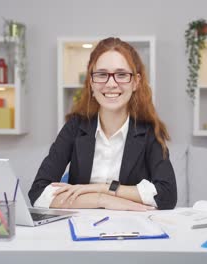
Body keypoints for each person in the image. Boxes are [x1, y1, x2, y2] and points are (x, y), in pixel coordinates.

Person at [28, 37, 177, 211]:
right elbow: (38, 193)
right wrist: (102, 200)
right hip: (80, 228)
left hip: (131, 230)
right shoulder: (75, 126)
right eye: (102, 75)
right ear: (91, 83)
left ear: (136, 82)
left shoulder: (149, 131)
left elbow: (167, 195)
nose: (111, 84)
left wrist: (104, 189)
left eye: (121, 75)